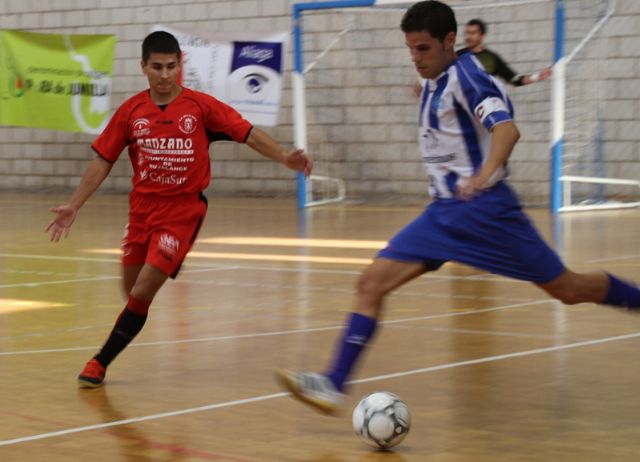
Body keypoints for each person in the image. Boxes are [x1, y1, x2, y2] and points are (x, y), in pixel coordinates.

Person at [275, 0, 640, 416]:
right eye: (411, 49)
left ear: (449, 41)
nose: (415, 58)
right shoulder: (438, 74)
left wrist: (484, 174)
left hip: (486, 212)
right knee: (370, 284)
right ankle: (332, 384)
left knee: (568, 290)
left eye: (424, 49)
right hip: (445, 214)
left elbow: (506, 129)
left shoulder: (468, 77)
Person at [47, 31, 312, 388]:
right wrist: (74, 206)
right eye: (157, 67)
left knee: (142, 292)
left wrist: (284, 156)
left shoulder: (201, 107)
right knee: (130, 293)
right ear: (143, 67)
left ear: (180, 64)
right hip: (141, 211)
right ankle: (168, 258)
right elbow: (102, 159)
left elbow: (247, 133)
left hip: (182, 211)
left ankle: (99, 362)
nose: (165, 74)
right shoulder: (131, 111)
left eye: (172, 66)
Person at [458, 18, 551, 87]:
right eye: (467, 33)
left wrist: (537, 77)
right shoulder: (456, 56)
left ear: (482, 36)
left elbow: (514, 79)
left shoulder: (492, 58)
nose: (468, 37)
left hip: (482, 107)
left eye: (473, 33)